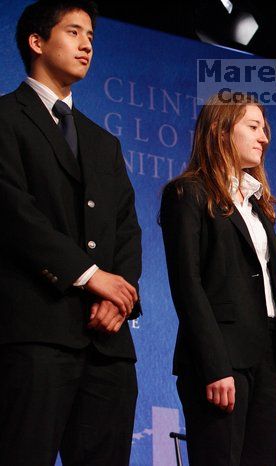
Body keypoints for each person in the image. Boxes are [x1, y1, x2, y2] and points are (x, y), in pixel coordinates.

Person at [0, 1, 142, 465]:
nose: (86, 45)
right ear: (36, 42)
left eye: (91, 38)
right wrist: (87, 275)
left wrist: (118, 296)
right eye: (74, 32)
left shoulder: (103, 141)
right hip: (35, 334)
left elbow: (126, 229)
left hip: (108, 343)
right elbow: (14, 213)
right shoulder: (6, 119)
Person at [160, 92, 276, 466]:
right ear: (222, 130)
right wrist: (214, 365)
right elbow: (187, 284)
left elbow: (274, 294)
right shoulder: (187, 193)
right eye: (254, 127)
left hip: (269, 365)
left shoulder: (259, 207)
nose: (264, 138)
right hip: (221, 362)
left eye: (266, 129)